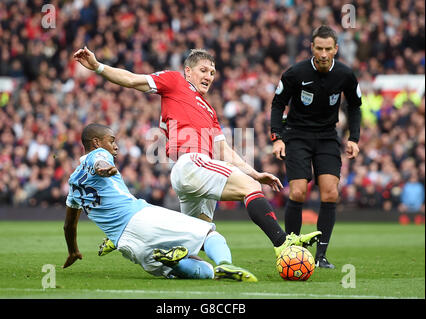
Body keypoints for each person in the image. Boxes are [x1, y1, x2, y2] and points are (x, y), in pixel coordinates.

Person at [73, 47, 322, 259]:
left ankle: (138, 246)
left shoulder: (210, 111)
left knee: (199, 235)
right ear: (188, 72)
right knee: (248, 189)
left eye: (212, 72)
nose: (209, 76)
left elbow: (224, 150)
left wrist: (256, 173)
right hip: (192, 163)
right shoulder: (174, 82)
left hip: (192, 175)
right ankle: (283, 244)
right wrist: (97, 67)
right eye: (204, 70)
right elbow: (131, 79)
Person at [63, 123, 258, 281]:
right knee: (208, 233)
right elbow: (99, 162)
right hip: (140, 217)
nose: (115, 146)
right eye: (111, 141)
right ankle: (226, 264)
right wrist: (105, 168)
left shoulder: (73, 184)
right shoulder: (100, 155)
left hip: (126, 245)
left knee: (205, 272)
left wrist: (73, 251)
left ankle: (175, 263)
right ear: (96, 142)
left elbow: (69, 226)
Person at [270, 25, 362, 269]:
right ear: (312, 47)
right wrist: (277, 137)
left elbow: (355, 105)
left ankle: (321, 256)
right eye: (319, 48)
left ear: (336, 49)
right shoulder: (295, 73)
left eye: (328, 49)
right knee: (298, 192)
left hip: (327, 136)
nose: (323, 53)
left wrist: (354, 138)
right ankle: (291, 250)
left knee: (331, 193)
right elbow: (278, 103)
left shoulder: (345, 74)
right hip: (297, 135)